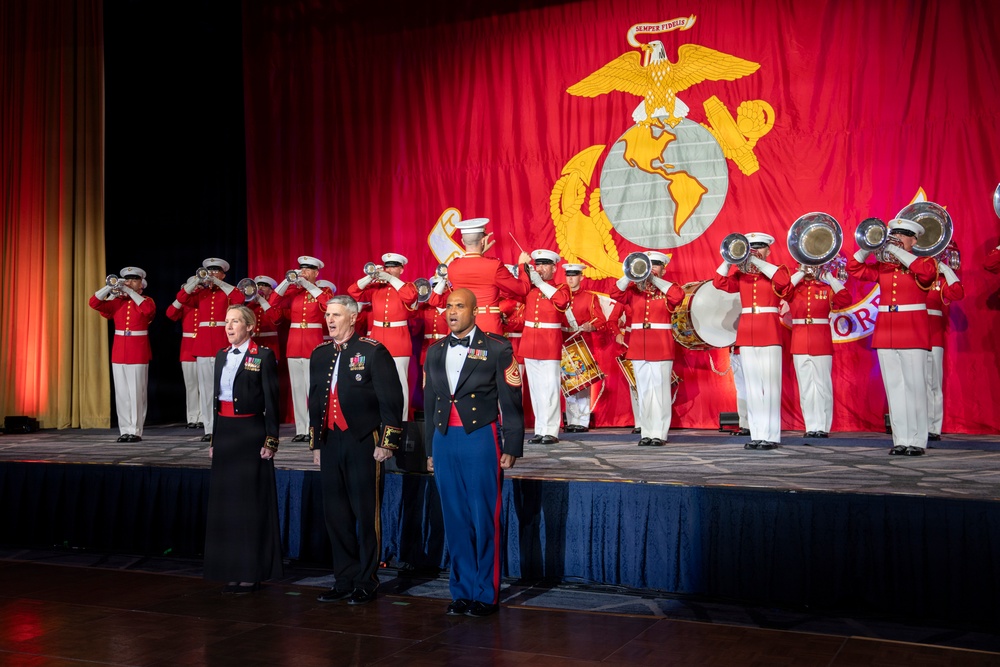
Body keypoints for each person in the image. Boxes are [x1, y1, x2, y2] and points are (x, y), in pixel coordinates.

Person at [423, 288, 524, 617]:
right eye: (449, 306)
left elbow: (511, 401)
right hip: (444, 439)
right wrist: (430, 449)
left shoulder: (496, 347)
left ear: (475, 311)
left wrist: (511, 445)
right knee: (454, 518)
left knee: (483, 517)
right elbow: (429, 404)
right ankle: (462, 590)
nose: (452, 311)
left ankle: (485, 592)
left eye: (459, 306)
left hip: (480, 438)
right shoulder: (435, 350)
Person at [308, 295, 404, 605]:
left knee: (366, 513)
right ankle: (344, 578)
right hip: (331, 442)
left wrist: (387, 443)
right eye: (327, 315)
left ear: (353, 318)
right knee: (336, 515)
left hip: (364, 441)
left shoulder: (372, 352)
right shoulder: (319, 354)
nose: (330, 320)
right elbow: (315, 402)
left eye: (336, 315)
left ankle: (367, 580)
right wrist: (316, 443)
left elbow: (392, 400)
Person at [203, 304, 282, 594]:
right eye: (227, 321)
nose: (229, 326)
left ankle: (251, 571)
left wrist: (270, 439)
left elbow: (273, 401)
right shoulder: (221, 355)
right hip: (225, 432)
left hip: (250, 432)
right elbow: (216, 401)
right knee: (227, 505)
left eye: (235, 321)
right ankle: (230, 569)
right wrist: (214, 439)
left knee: (248, 504)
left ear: (250, 327)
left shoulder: (262, 356)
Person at [848, 218, 937, 455]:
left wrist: (895, 250)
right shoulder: (884, 267)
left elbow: (927, 274)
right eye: (893, 235)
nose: (896, 239)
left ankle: (917, 441)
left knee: (915, 387)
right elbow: (853, 268)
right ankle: (901, 439)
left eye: (903, 235)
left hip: (912, 332)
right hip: (886, 332)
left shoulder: (924, 262)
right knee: (894, 387)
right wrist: (869, 246)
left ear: (914, 240)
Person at [714, 233, 792, 450]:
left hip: (769, 332)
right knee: (753, 387)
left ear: (768, 250)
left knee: (770, 387)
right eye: (751, 248)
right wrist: (730, 259)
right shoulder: (741, 276)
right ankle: (757, 434)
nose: (755, 250)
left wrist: (756, 260)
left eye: (760, 247)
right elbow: (718, 282)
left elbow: (785, 283)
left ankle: (771, 436)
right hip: (747, 334)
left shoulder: (778, 271)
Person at [609, 251, 685, 446]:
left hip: (660, 346)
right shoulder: (635, 290)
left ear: (663, 269)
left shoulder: (667, 290)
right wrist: (631, 273)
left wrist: (653, 279)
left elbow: (678, 296)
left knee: (659, 391)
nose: (651, 268)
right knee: (643, 391)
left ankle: (659, 433)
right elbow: (614, 292)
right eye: (647, 265)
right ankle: (647, 432)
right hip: (638, 346)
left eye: (656, 265)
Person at [176, 258, 243, 442]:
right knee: (206, 389)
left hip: (223, 344)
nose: (212, 274)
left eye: (216, 271)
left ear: (223, 274)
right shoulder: (201, 293)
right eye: (209, 271)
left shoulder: (227, 292)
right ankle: (209, 429)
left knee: (225, 387)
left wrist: (219, 283)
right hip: (203, 345)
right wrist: (196, 282)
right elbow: (181, 298)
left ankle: (225, 425)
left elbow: (240, 298)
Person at [347, 252, 418, 418]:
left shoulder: (408, 286)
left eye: (394, 267)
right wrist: (370, 276)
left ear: (401, 269)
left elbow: (410, 297)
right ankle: (380, 422)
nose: (389, 270)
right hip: (377, 339)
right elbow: (353, 291)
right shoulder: (375, 288)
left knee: (400, 384)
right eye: (387, 267)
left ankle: (402, 424)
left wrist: (391, 278)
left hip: (398, 339)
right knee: (377, 383)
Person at [89, 266, 156, 442]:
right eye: (127, 279)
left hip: (137, 352)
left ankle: (135, 430)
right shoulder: (117, 301)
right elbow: (94, 302)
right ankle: (124, 430)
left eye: (134, 279)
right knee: (122, 394)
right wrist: (110, 287)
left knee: (136, 393)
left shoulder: (146, 300)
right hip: (119, 352)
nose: (128, 282)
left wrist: (129, 291)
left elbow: (148, 311)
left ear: (141, 283)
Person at [786, 265, 852, 438]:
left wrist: (829, 276)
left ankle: (822, 426)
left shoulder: (826, 288)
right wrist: (800, 270)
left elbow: (845, 298)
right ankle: (810, 426)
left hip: (821, 342)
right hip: (799, 342)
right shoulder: (794, 288)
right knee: (806, 386)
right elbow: (782, 289)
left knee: (822, 386)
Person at [274, 256, 334, 442]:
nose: (304, 272)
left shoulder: (322, 290)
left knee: (312, 389)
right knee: (297, 388)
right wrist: (288, 280)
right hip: (294, 345)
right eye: (302, 269)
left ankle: (313, 428)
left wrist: (307, 284)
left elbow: (327, 304)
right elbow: (274, 300)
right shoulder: (293, 291)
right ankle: (301, 429)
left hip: (312, 344)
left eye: (308, 270)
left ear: (316, 273)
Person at [519, 249, 571, 445]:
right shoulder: (529, 288)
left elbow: (562, 302)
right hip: (530, 342)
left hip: (549, 343)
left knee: (550, 388)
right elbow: (513, 290)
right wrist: (521, 269)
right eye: (537, 265)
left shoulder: (561, 288)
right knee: (536, 389)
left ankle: (551, 430)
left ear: (554, 268)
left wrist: (540, 284)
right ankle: (540, 430)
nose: (540, 269)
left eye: (544, 265)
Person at [444, 218, 530, 334]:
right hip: (486, 327)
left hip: (460, 326)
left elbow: (472, 265)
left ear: (463, 241)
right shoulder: (493, 266)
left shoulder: (453, 266)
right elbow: (522, 289)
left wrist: (481, 254)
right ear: (483, 240)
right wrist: (523, 266)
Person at [561, 263, 608, 433]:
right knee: (567, 383)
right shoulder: (559, 297)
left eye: (574, 275)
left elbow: (600, 320)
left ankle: (581, 421)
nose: (571, 279)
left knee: (582, 383)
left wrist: (591, 326)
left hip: (581, 342)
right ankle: (571, 420)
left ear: (581, 277)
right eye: (568, 275)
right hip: (563, 341)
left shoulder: (590, 298)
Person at [926, 253, 964, 440]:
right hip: (910, 335)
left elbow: (957, 292)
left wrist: (946, 268)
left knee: (933, 383)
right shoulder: (909, 273)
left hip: (933, 336)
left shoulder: (940, 281)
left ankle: (933, 427)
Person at [165, 288, 202, 429]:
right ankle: (192, 417)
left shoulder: (204, 301)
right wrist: (183, 296)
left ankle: (204, 417)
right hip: (188, 348)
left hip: (205, 345)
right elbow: (170, 313)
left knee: (205, 386)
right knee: (191, 386)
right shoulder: (184, 304)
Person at [249, 275, 284, 358]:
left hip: (270, 342)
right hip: (254, 342)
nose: (260, 288)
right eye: (258, 286)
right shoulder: (252, 305)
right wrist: (252, 301)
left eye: (264, 285)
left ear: (271, 290)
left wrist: (262, 301)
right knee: (253, 368)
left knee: (268, 368)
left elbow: (276, 319)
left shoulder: (275, 305)